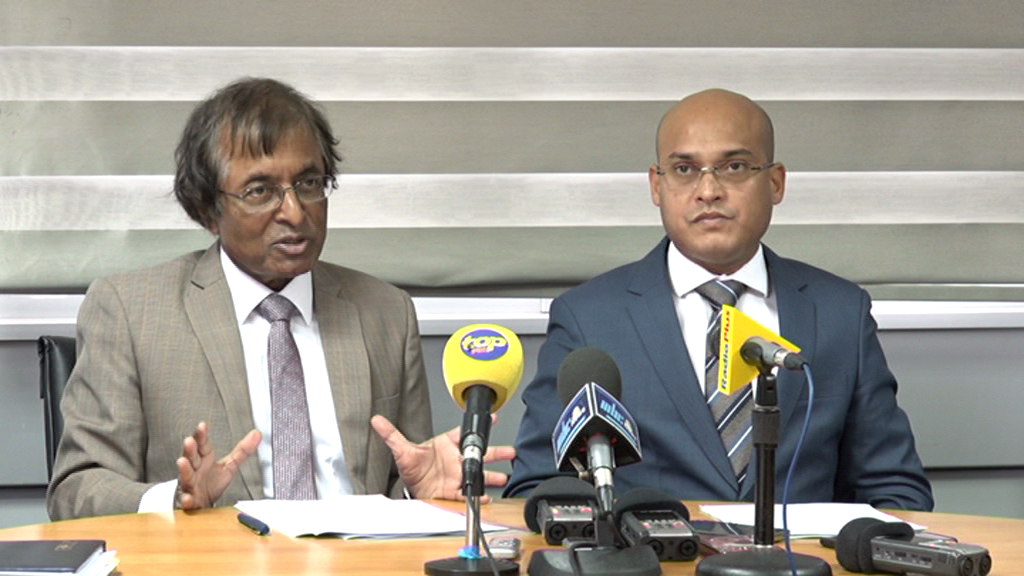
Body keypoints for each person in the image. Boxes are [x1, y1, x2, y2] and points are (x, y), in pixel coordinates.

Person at [47, 77, 513, 520]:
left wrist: (416, 492)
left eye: (309, 184)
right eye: (260, 191)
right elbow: (76, 490)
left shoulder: (385, 312)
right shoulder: (130, 311)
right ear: (208, 209)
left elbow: (402, 482)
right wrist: (175, 501)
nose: (294, 212)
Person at [504, 88, 934, 510]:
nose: (708, 190)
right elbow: (539, 487)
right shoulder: (589, 318)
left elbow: (896, 492)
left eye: (734, 166)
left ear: (775, 182)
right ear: (657, 185)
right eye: (684, 169)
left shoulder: (840, 311)